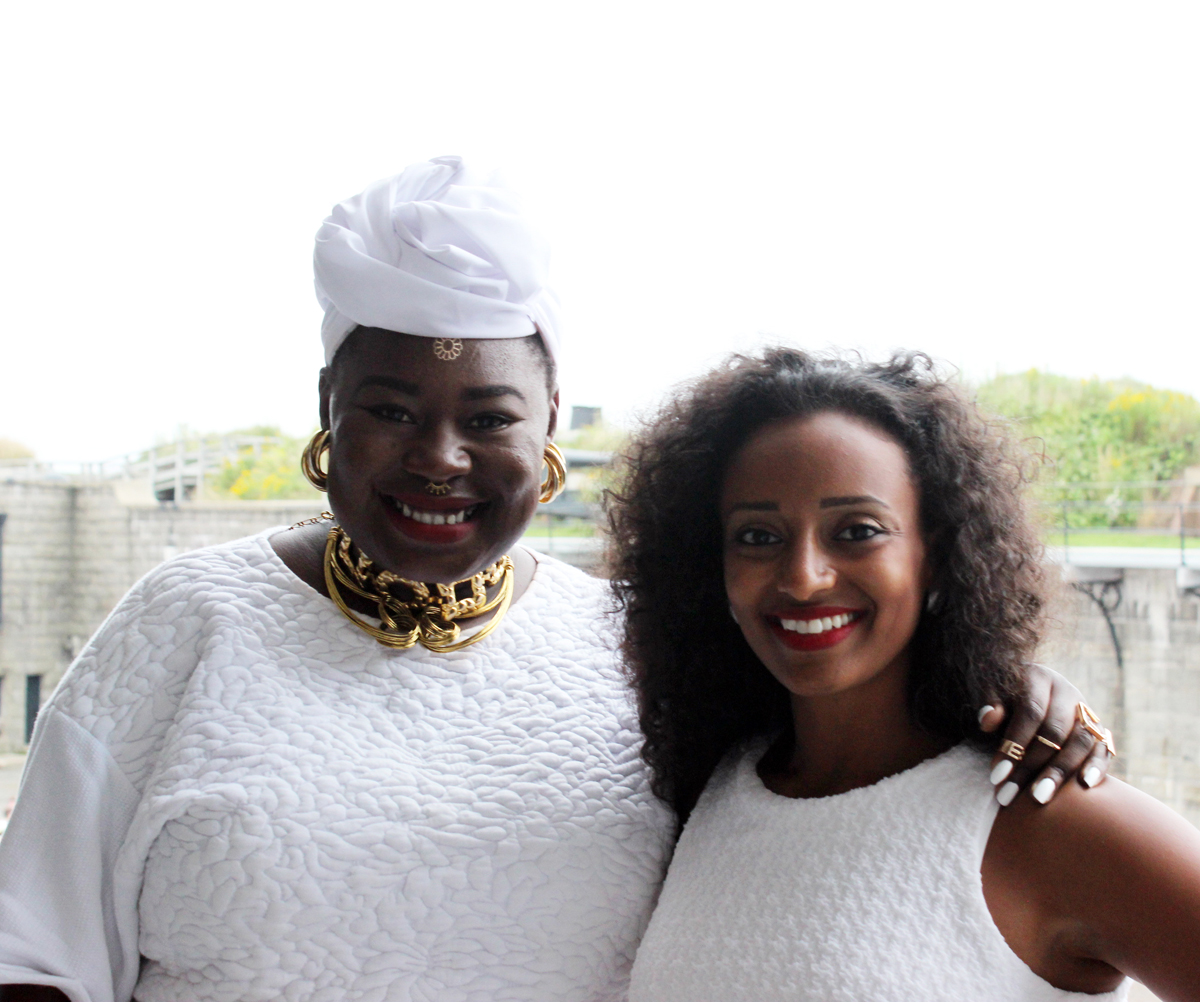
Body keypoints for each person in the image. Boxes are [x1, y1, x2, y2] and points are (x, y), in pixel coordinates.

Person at [0, 161, 1107, 1002]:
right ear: (327, 411)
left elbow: (838, 737)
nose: (440, 457)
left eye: (490, 417)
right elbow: (30, 956)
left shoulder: (645, 649)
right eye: (390, 409)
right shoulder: (185, 625)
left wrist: (998, 689)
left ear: (549, 431)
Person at [616, 349, 1200, 1002]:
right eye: (757, 537)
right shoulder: (710, 787)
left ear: (939, 556)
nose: (804, 577)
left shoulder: (1044, 815)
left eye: (857, 531)